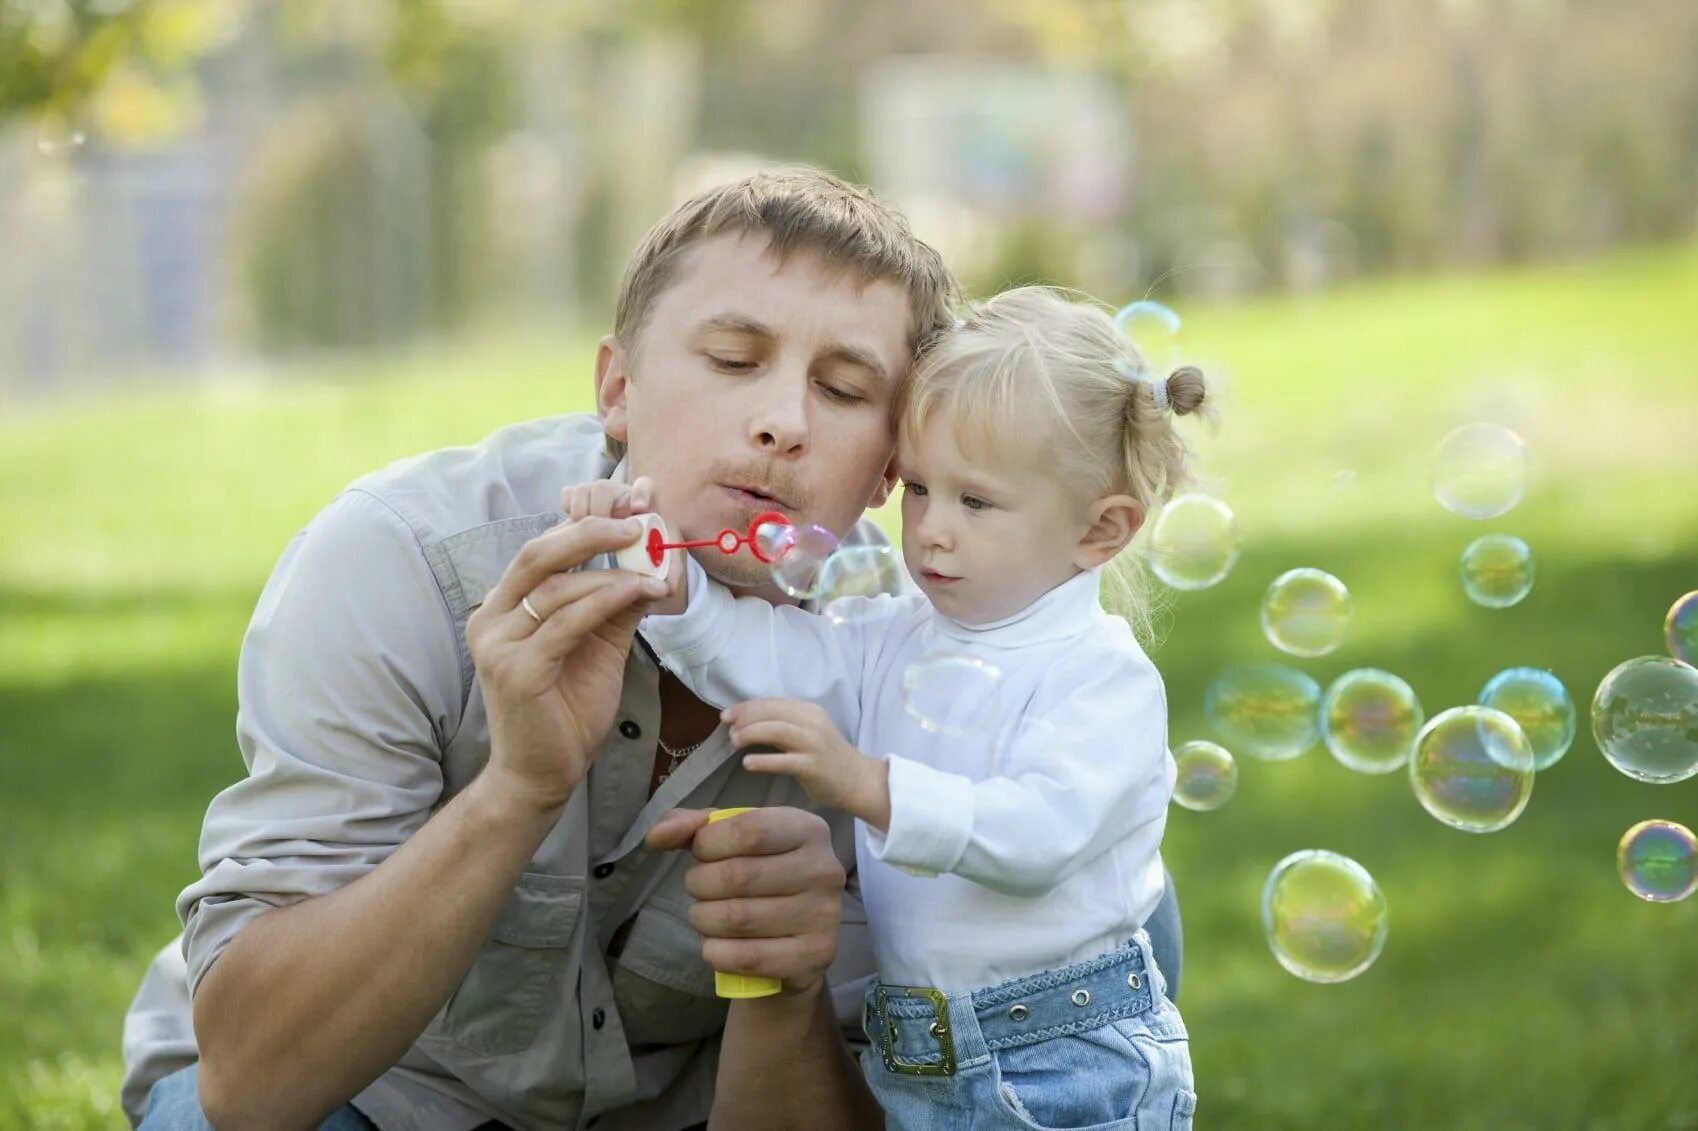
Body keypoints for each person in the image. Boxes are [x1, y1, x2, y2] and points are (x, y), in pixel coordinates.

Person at [119, 167, 1182, 1130]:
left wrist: (786, 983)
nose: (782, 422)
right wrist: (519, 788)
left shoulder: (920, 661)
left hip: (685, 1109)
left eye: (846, 390)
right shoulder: (400, 563)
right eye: (734, 358)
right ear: (617, 391)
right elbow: (251, 1091)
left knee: (1130, 913)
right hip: (378, 1098)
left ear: (889, 469)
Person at [597, 285, 1206, 1129]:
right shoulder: (897, 635)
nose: (930, 530)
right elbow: (772, 660)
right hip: (920, 1053)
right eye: (919, 488)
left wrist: (866, 782)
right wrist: (672, 590)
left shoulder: (1100, 678)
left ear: (1099, 531)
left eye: (976, 501)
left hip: (1067, 1058)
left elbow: (1038, 835)